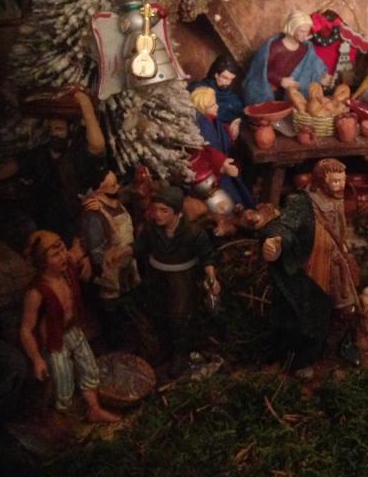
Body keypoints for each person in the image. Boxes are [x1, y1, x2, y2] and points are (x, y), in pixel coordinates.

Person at [260, 159, 361, 377]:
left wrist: (343, 248)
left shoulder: (337, 198)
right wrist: (274, 241)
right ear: (322, 181)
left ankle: (338, 349)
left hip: (337, 262)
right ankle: (306, 358)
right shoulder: (302, 202)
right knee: (313, 313)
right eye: (335, 182)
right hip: (315, 267)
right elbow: (283, 225)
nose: (341, 186)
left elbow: (339, 228)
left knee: (347, 307)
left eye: (343, 180)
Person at [19, 230, 120, 423]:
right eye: (55, 255)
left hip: (74, 331)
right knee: (63, 383)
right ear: (42, 262)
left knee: (90, 371)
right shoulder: (36, 292)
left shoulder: (67, 269)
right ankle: (61, 419)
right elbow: (26, 330)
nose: (63, 256)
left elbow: (78, 249)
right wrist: (37, 359)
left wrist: (86, 257)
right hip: (55, 341)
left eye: (62, 249)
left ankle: (94, 410)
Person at [0, 89, 106, 245]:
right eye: (51, 130)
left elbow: (97, 145)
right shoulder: (41, 154)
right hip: (45, 224)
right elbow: (17, 164)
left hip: (74, 226)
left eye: (59, 129)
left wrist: (85, 103)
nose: (53, 134)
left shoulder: (77, 154)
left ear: (70, 131)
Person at [133, 187, 221, 377]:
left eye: (164, 210)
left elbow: (207, 256)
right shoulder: (151, 229)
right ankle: (165, 350)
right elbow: (139, 249)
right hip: (157, 277)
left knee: (179, 318)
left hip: (182, 279)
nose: (158, 214)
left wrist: (212, 278)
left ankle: (180, 355)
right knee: (158, 313)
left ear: (177, 211)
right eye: (155, 209)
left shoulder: (194, 233)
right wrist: (122, 252)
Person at [80, 170, 146, 351]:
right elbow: (96, 251)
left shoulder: (118, 202)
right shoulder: (94, 214)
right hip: (111, 271)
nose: (116, 187)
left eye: (116, 183)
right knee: (114, 314)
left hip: (128, 266)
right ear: (99, 190)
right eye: (111, 185)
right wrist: (105, 263)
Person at [242, 11, 330, 106]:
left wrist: (321, 76)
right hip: (272, 95)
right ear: (292, 28)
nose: (305, 35)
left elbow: (313, 67)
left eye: (307, 31)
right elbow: (260, 72)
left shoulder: (306, 48)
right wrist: (280, 80)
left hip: (294, 96)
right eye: (302, 31)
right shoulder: (275, 47)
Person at [190, 86, 255, 209]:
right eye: (212, 105)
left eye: (215, 103)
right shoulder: (202, 125)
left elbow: (219, 132)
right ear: (202, 108)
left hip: (223, 166)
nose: (217, 107)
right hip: (214, 176)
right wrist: (222, 164)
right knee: (230, 198)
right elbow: (207, 150)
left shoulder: (210, 119)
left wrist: (230, 131)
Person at [188, 54, 244, 125]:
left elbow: (239, 111)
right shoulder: (200, 89)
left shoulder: (232, 96)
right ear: (216, 74)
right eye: (225, 78)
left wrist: (237, 120)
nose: (228, 83)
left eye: (231, 79)